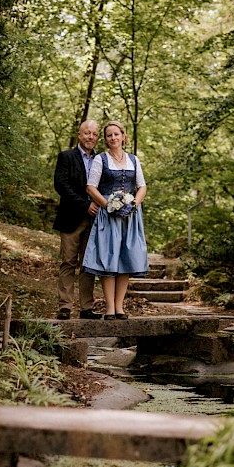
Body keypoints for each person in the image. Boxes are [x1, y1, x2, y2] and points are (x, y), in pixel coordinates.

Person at [81, 121, 148, 319]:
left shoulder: (134, 160)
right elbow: (91, 187)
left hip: (129, 217)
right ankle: (109, 308)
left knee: (125, 259)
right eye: (109, 135)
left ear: (123, 136)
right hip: (108, 217)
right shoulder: (100, 160)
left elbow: (142, 186)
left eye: (116, 134)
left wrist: (134, 204)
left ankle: (120, 307)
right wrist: (108, 205)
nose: (113, 138)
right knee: (108, 259)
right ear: (106, 139)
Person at [52, 120, 103, 320]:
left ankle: (86, 308)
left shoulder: (102, 159)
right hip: (71, 217)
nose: (91, 137)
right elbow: (61, 185)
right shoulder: (66, 157)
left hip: (95, 220)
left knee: (89, 264)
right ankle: (65, 306)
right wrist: (85, 204)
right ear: (80, 135)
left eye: (94, 134)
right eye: (87, 133)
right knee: (68, 262)